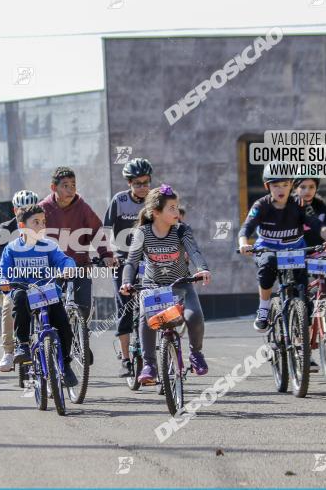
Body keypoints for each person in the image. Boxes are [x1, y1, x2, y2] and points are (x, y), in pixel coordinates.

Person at [119, 185, 211, 384]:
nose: (177, 212)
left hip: (181, 284)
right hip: (153, 286)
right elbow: (132, 262)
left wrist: (202, 269)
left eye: (177, 207)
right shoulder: (142, 232)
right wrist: (127, 282)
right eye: (171, 208)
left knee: (194, 315)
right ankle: (149, 364)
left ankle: (196, 354)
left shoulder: (182, 230)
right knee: (146, 318)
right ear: (156, 213)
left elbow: (194, 252)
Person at [238, 166, 326, 335]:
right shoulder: (261, 205)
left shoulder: (300, 203)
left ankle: (302, 343)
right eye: (275, 185)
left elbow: (318, 225)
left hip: (294, 249)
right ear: (268, 187)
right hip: (268, 249)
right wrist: (243, 243)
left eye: (284, 184)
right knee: (268, 264)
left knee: (303, 293)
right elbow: (246, 228)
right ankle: (263, 308)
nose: (280, 189)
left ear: (291, 185)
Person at [0, 204, 79, 386]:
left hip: (47, 293)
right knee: (18, 298)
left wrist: (68, 269)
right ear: (22, 226)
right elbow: (2, 272)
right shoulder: (12, 248)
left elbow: (65, 260)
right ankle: (22, 344)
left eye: (43, 222)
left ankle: (65, 363)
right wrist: (2, 281)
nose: (41, 226)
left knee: (64, 326)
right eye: (36, 222)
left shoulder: (49, 245)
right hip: (23, 292)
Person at [39, 167, 115, 323]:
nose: (70, 189)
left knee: (84, 308)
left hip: (79, 266)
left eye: (73, 185)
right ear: (54, 188)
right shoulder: (43, 209)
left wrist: (106, 255)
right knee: (51, 309)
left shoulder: (83, 207)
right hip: (51, 268)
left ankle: (81, 342)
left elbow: (96, 232)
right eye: (65, 185)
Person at [0, 190, 40, 372]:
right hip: (15, 278)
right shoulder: (7, 228)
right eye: (23, 208)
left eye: (31, 208)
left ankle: (58, 346)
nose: (27, 211)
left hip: (39, 276)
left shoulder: (43, 225)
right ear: (15, 210)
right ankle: (8, 351)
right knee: (9, 305)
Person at [104, 158, 152, 376]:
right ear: (129, 184)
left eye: (146, 182)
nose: (142, 187)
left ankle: (154, 355)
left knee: (153, 306)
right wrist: (109, 254)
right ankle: (125, 359)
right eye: (138, 183)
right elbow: (106, 229)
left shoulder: (154, 200)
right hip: (123, 259)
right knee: (125, 309)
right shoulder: (119, 200)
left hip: (149, 258)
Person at [294, 177, 326, 295]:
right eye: (302, 187)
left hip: (315, 251)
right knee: (299, 287)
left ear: (316, 188)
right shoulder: (290, 205)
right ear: (295, 188)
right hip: (295, 251)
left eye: (311, 187)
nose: (307, 191)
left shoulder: (320, 205)